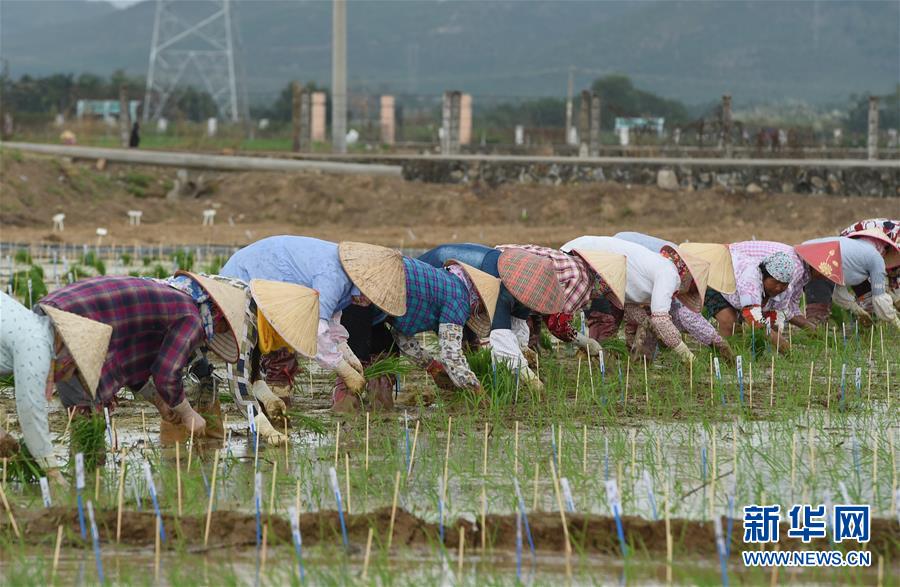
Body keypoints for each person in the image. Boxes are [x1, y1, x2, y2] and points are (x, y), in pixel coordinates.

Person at [38, 272, 247, 436]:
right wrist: (187, 413)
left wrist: (160, 402)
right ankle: (85, 484)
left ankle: (84, 483)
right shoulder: (190, 317)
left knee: (86, 421)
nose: (218, 335)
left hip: (50, 310)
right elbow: (167, 374)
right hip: (73, 325)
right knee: (88, 426)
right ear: (219, 318)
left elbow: (132, 364)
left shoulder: (169, 299)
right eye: (224, 329)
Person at [220, 237, 406, 411]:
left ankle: (275, 409)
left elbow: (330, 321)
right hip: (245, 282)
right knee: (254, 360)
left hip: (271, 292)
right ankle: (262, 414)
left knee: (267, 356)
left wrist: (347, 354)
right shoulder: (333, 275)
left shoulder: (347, 284)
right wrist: (343, 369)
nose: (368, 303)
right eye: (371, 297)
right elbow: (317, 331)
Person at [342, 256, 500, 409]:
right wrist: (476, 390)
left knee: (386, 350)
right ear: (479, 303)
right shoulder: (458, 299)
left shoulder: (443, 284)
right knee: (357, 358)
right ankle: (345, 411)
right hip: (358, 294)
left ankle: (377, 411)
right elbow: (451, 355)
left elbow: (401, 336)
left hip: (368, 290)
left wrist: (432, 366)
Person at [418, 244, 566, 389]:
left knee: (470, 342)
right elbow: (501, 336)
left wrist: (522, 351)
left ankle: (469, 379)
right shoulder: (502, 287)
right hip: (437, 269)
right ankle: (463, 385)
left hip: (468, 288)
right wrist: (530, 379)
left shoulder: (525, 294)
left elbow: (516, 328)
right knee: (458, 338)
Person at [0, 292, 111, 486]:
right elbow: (30, 411)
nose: (70, 377)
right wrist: (52, 472)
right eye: (76, 370)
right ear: (69, 355)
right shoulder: (36, 346)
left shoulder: (33, 326)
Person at [560, 235, 707, 363]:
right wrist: (687, 356)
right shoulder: (669, 273)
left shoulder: (659, 270)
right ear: (688, 277)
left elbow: (630, 310)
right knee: (558, 309)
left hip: (593, 261)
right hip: (585, 256)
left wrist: (639, 344)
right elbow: (661, 320)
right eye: (693, 288)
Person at [612, 232, 737, 362]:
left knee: (646, 319)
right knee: (614, 322)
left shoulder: (678, 264)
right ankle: (627, 360)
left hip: (624, 269)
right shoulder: (673, 274)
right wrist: (717, 343)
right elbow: (687, 317)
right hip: (612, 264)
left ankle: (638, 363)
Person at [494, 244, 626, 358]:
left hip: (504, 256)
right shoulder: (582, 282)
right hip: (510, 271)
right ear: (602, 285)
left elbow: (548, 312)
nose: (601, 296)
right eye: (605, 292)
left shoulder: (578, 265)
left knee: (523, 328)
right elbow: (557, 324)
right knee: (506, 331)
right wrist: (586, 343)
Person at [699, 241, 809, 355]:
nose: (779, 288)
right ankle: (723, 359)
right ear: (764, 275)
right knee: (729, 321)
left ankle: (746, 357)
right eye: (776, 282)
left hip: (739, 296)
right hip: (719, 281)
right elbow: (752, 317)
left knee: (760, 330)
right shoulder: (751, 278)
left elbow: (776, 317)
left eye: (784, 284)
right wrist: (777, 340)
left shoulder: (786, 290)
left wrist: (775, 335)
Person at [796, 229, 900, 329]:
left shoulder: (850, 248)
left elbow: (838, 291)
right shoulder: (876, 258)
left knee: (789, 294)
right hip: (817, 259)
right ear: (885, 248)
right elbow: (880, 299)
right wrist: (896, 321)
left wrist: (858, 311)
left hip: (803, 251)